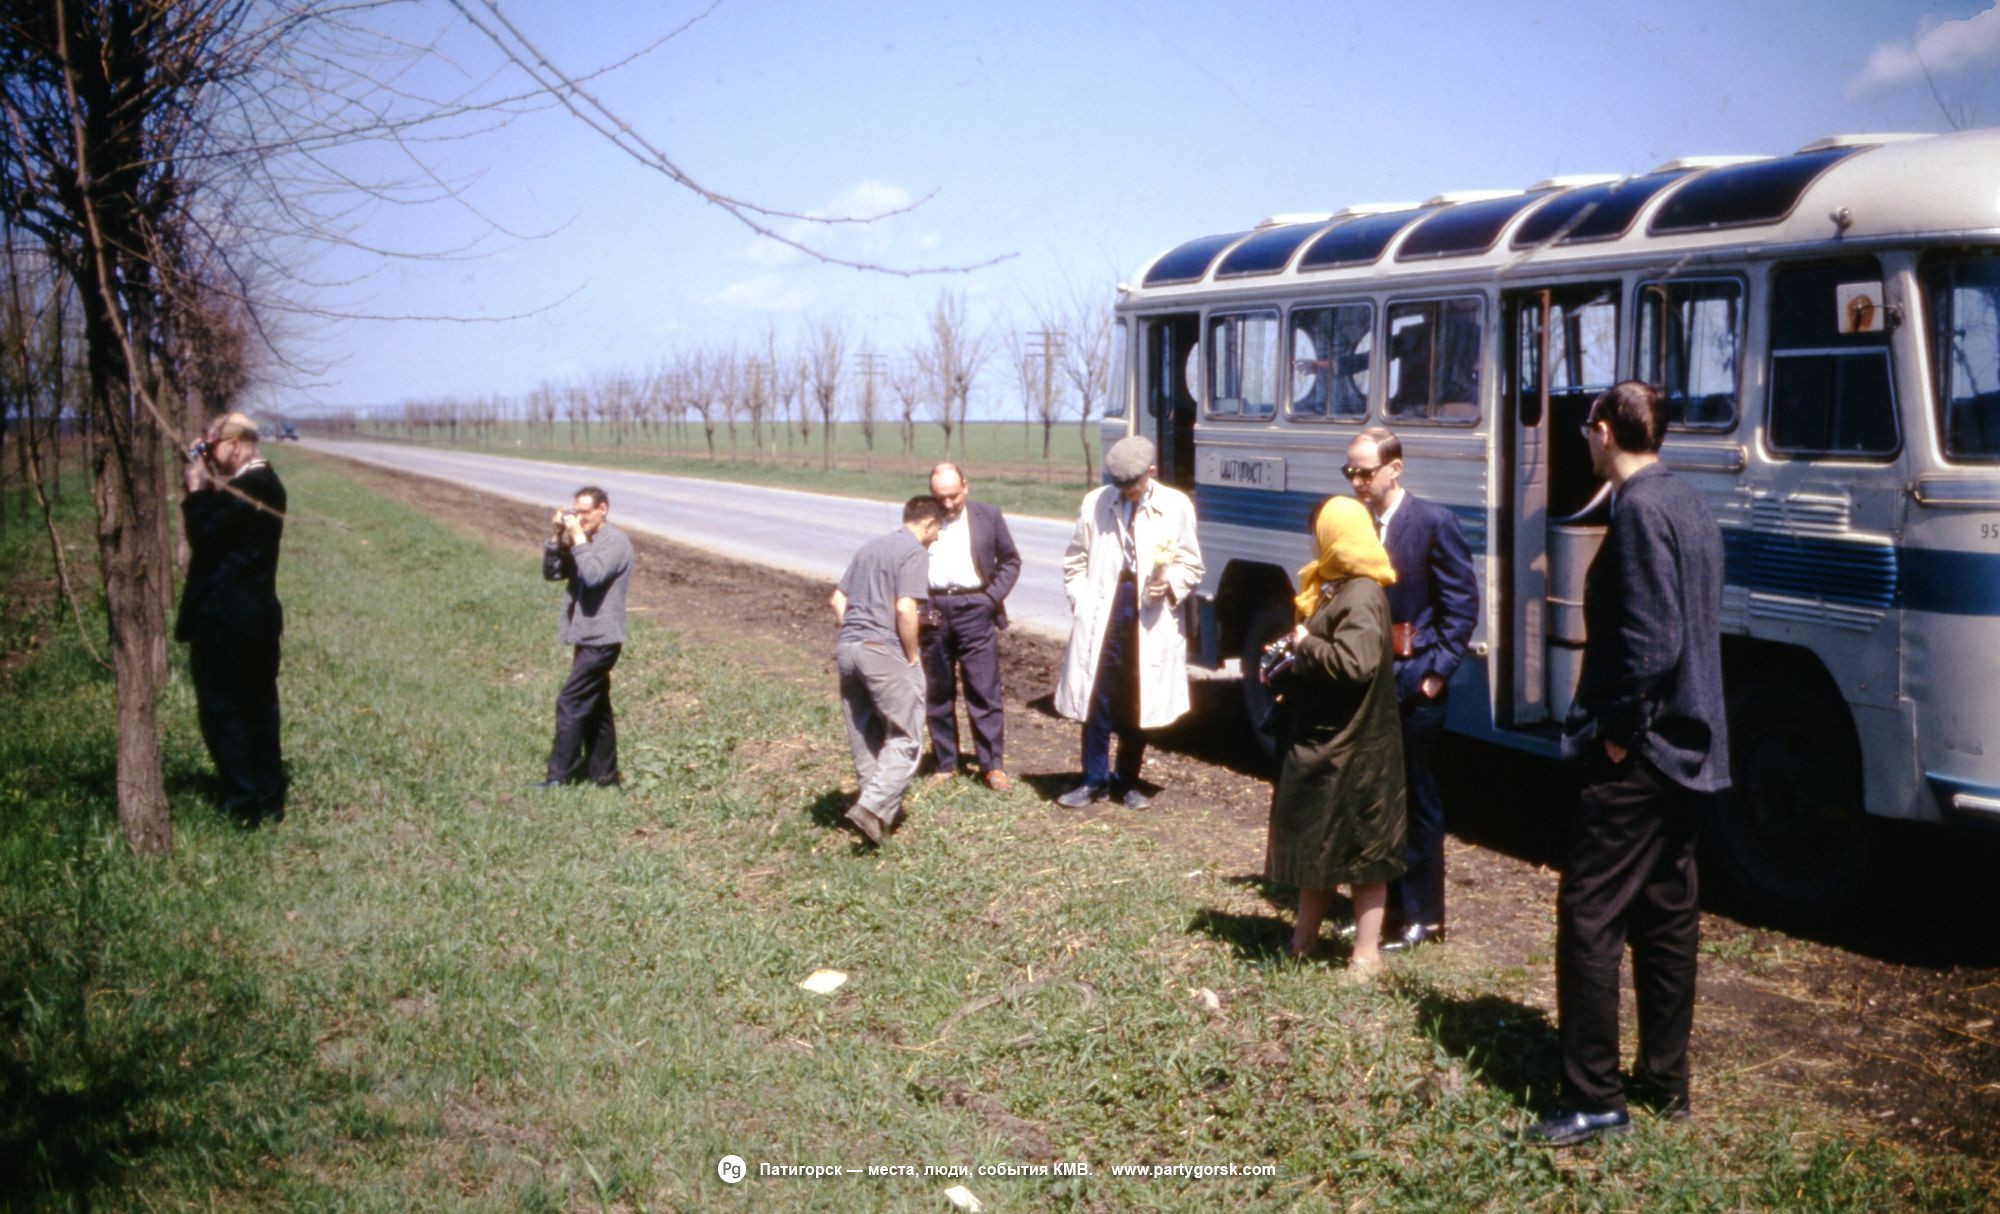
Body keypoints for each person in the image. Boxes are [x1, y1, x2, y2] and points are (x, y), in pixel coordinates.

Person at [1524, 380, 1729, 1147]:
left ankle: (1592, 1096)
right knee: (1669, 916)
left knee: (1590, 915)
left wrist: (1616, 731)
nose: (1584, 438)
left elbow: (1651, 640)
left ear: (1604, 430)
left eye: (1587, 426)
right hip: (1690, 746)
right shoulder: (1688, 501)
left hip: (1640, 751)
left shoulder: (1638, 509)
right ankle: (1666, 1084)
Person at [1344, 427, 1478, 952]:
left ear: (1394, 469)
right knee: (1371, 799)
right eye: (1349, 471)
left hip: (1412, 684)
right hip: (1367, 683)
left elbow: (1460, 607)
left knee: (1417, 800)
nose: (1356, 481)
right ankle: (1379, 912)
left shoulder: (1432, 523)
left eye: (1365, 471)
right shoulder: (1355, 522)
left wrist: (1435, 673)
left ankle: (1424, 915)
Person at [1263, 496, 1407, 978]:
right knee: (1317, 845)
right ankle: (1301, 943)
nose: (1314, 542)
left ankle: (1365, 959)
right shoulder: (1335, 587)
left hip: (1357, 747)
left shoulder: (1362, 594)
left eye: (1320, 534)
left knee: (1365, 854)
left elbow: (1356, 663)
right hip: (1331, 741)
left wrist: (1306, 645)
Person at [1053, 435, 1203, 810]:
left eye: (1132, 485)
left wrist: (1170, 585)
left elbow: (1191, 563)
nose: (1127, 492)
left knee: (1139, 695)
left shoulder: (1176, 505)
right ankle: (1093, 779)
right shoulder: (1096, 503)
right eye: (1120, 485)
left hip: (1149, 611)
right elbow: (1074, 560)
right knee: (1096, 693)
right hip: (1104, 607)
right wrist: (1082, 601)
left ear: (1150, 473)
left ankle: (1128, 780)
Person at [177, 412, 288, 827]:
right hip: (255, 620)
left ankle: (242, 803)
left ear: (236, 444)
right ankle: (268, 797)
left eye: (213, 446)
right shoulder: (267, 483)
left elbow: (205, 537)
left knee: (225, 711)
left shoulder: (247, 488)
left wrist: (195, 491)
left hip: (226, 622)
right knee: (259, 709)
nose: (210, 455)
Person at [831, 496, 947, 845]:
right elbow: (906, 608)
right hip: (882, 650)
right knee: (907, 737)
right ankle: (872, 807)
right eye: (938, 529)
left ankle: (875, 820)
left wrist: (855, 633)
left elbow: (837, 600)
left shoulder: (870, 548)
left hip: (849, 649)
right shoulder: (914, 552)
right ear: (928, 523)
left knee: (865, 734)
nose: (938, 537)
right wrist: (910, 656)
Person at [920, 462, 1022, 791]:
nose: (947, 504)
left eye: (953, 496)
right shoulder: (922, 516)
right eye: (940, 497)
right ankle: (946, 763)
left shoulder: (987, 516)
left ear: (965, 486)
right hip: (933, 610)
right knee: (937, 690)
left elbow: (1010, 561)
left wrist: (989, 599)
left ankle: (992, 765)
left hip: (974, 608)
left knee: (983, 688)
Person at [534, 486, 633, 789]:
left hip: (602, 639)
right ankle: (604, 776)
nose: (580, 518)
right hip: (585, 637)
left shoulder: (614, 542)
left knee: (570, 701)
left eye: (585, 512)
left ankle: (558, 777)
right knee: (596, 707)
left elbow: (593, 576)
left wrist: (578, 540)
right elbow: (553, 573)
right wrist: (558, 537)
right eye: (575, 512)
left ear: (603, 509)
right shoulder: (584, 541)